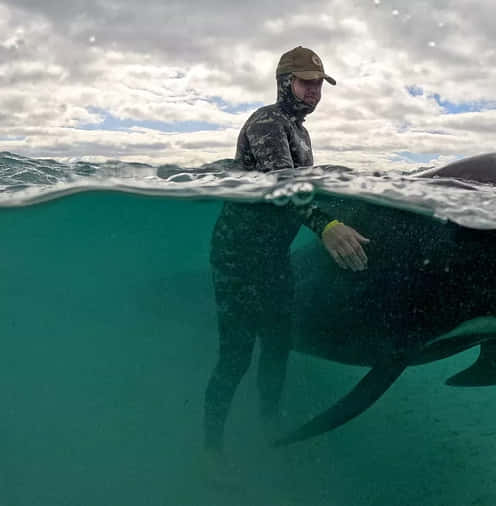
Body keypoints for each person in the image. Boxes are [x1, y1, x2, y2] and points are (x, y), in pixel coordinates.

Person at [203, 46, 369, 479]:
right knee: (236, 356)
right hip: (237, 259)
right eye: (305, 82)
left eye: (318, 83)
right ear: (284, 82)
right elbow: (282, 188)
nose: (314, 91)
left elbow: (302, 188)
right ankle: (211, 449)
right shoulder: (267, 122)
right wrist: (326, 225)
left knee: (277, 346)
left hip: (273, 258)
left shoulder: (300, 132)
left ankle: (268, 426)